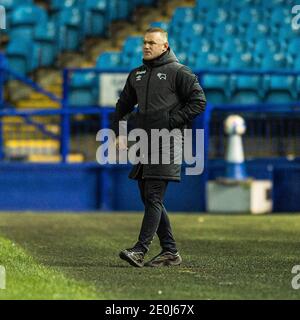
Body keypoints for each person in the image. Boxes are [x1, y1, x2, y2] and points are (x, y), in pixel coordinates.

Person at [113, 27, 206, 267]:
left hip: (168, 143)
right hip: (145, 144)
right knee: (149, 198)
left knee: (153, 195)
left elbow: (199, 102)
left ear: (164, 46)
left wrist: (170, 122)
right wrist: (118, 132)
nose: (146, 46)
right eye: (144, 42)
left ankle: (140, 250)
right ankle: (170, 251)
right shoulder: (137, 75)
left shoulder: (179, 72)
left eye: (152, 43)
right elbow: (122, 106)